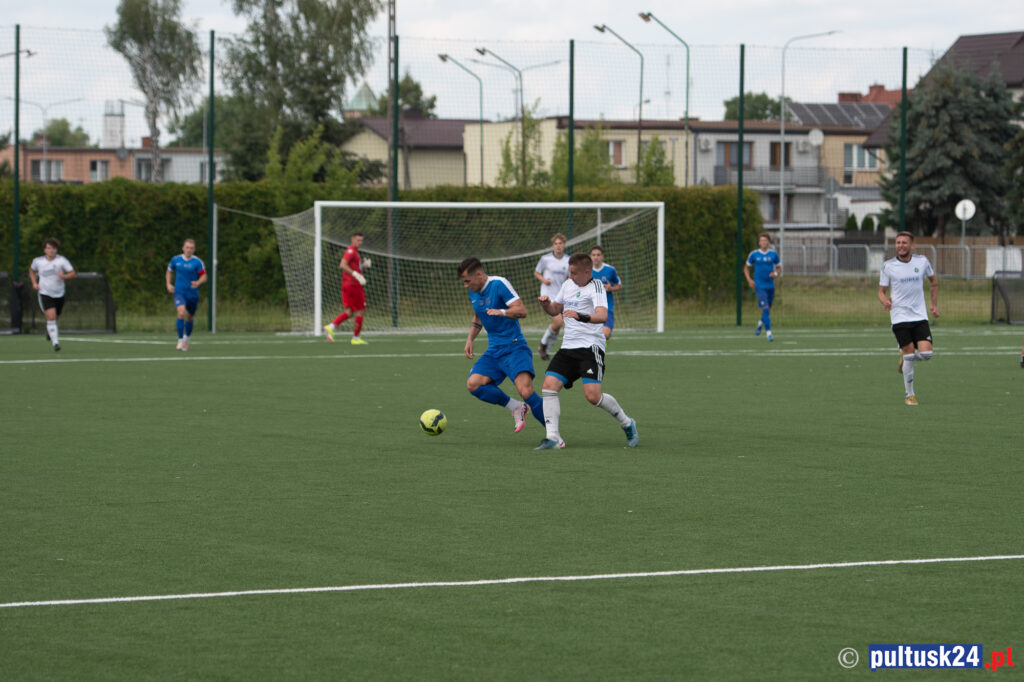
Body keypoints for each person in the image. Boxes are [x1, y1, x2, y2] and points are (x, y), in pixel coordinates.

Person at [535, 252, 638, 450]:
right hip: (568, 347)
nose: (570, 276)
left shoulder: (596, 286)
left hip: (590, 347)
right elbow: (555, 309)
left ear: (587, 272)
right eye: (570, 272)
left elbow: (602, 315)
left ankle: (627, 423)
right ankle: (553, 437)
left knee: (593, 396)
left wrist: (581, 316)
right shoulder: (568, 285)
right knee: (548, 387)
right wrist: (547, 305)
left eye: (574, 273)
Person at [459, 257, 546, 433]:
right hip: (494, 350)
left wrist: (502, 312)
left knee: (526, 391)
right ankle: (516, 407)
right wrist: (470, 339)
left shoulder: (499, 284)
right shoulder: (473, 291)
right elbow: (478, 316)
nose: (465, 286)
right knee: (474, 384)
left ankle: (553, 433)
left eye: (467, 281)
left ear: (478, 274)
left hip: (514, 347)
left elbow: (521, 311)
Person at [878, 231, 939, 406]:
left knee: (926, 354)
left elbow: (933, 282)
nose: (901, 245)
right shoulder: (888, 266)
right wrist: (885, 301)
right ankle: (909, 395)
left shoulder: (922, 261)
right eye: (898, 243)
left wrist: (934, 305)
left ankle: (904, 357)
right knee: (910, 355)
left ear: (912, 245)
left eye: (904, 242)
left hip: (920, 315)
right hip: (899, 317)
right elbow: (881, 291)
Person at [29, 237, 76, 352]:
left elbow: (72, 273)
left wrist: (64, 276)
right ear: (44, 250)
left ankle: (50, 330)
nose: (51, 250)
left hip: (59, 293)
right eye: (49, 248)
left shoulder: (62, 261)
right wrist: (34, 283)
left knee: (55, 318)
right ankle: (56, 343)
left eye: (54, 248)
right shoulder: (38, 261)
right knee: (51, 317)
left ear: (56, 249)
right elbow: (32, 270)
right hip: (45, 293)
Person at [324, 232, 369, 345]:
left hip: (348, 285)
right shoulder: (351, 251)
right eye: (358, 240)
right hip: (352, 285)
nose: (360, 242)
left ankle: (331, 327)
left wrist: (363, 266)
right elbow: (343, 265)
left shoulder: (356, 253)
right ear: (352, 240)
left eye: (361, 240)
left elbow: (353, 267)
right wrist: (356, 274)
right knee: (361, 310)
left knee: (349, 312)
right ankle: (355, 338)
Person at [166, 238, 207, 351]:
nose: (189, 250)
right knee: (181, 312)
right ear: (183, 248)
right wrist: (168, 284)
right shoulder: (176, 260)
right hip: (179, 292)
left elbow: (204, 276)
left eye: (191, 248)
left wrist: (198, 282)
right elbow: (169, 271)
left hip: (192, 294)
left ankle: (186, 339)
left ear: (194, 250)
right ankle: (180, 340)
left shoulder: (197, 262)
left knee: (190, 317)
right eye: (187, 247)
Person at [534, 233, 570, 360]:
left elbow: (569, 276)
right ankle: (543, 344)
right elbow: (536, 272)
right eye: (556, 244)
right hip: (547, 296)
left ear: (564, 245)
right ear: (553, 245)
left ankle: (545, 350)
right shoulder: (545, 259)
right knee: (558, 321)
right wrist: (544, 280)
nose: (558, 246)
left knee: (558, 325)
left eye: (560, 243)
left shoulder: (568, 260)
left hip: (560, 296)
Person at [744, 232, 782, 341]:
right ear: (759, 243)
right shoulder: (754, 254)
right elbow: (746, 268)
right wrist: (749, 280)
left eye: (765, 240)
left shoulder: (773, 254)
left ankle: (760, 323)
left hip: (770, 285)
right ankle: (769, 333)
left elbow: (779, 267)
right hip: (759, 285)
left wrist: (775, 274)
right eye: (761, 240)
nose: (763, 242)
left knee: (767, 309)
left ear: (768, 242)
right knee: (765, 308)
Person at [589, 245, 622, 340]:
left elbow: (619, 285)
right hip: (590, 308)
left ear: (602, 256)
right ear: (590, 256)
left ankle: (603, 343)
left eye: (598, 255)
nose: (596, 257)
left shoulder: (610, 270)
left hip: (607, 307)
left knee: (605, 334)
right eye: (593, 255)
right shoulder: (586, 270)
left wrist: (610, 288)